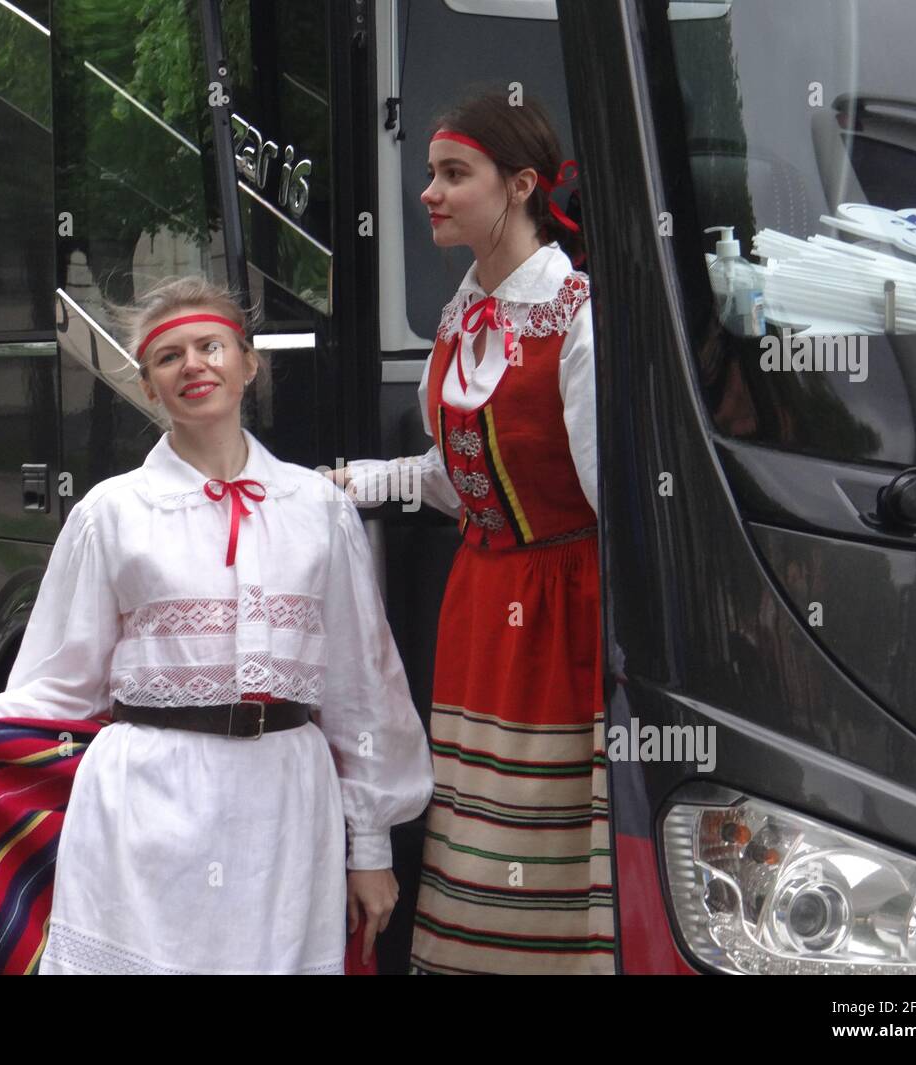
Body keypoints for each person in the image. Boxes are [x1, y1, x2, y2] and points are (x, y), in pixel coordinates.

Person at [0, 276, 433, 974]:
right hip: (147, 808)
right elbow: (58, 682)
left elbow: (362, 686)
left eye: (211, 346)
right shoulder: (112, 513)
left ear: (249, 362)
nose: (194, 365)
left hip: (286, 809)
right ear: (148, 387)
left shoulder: (318, 509)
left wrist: (372, 849)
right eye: (169, 357)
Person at [329, 90, 611, 974]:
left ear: (521, 186)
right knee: (476, 818)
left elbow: (611, 498)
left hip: (562, 604)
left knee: (545, 820)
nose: (430, 193)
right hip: (481, 598)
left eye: (455, 174)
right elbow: (461, 480)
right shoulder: (462, 315)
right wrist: (355, 480)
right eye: (430, 175)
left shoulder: (576, 317)